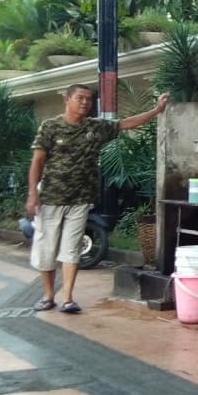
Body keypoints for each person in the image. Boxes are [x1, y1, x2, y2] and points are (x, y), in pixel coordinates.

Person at [26, 84, 170, 313]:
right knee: (47, 248)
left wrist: (156, 110)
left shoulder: (96, 128)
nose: (85, 102)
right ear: (67, 99)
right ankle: (48, 295)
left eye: (89, 99)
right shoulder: (50, 127)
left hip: (81, 199)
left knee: (72, 248)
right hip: (51, 198)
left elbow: (125, 123)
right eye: (80, 98)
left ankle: (68, 298)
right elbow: (37, 161)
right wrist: (33, 193)